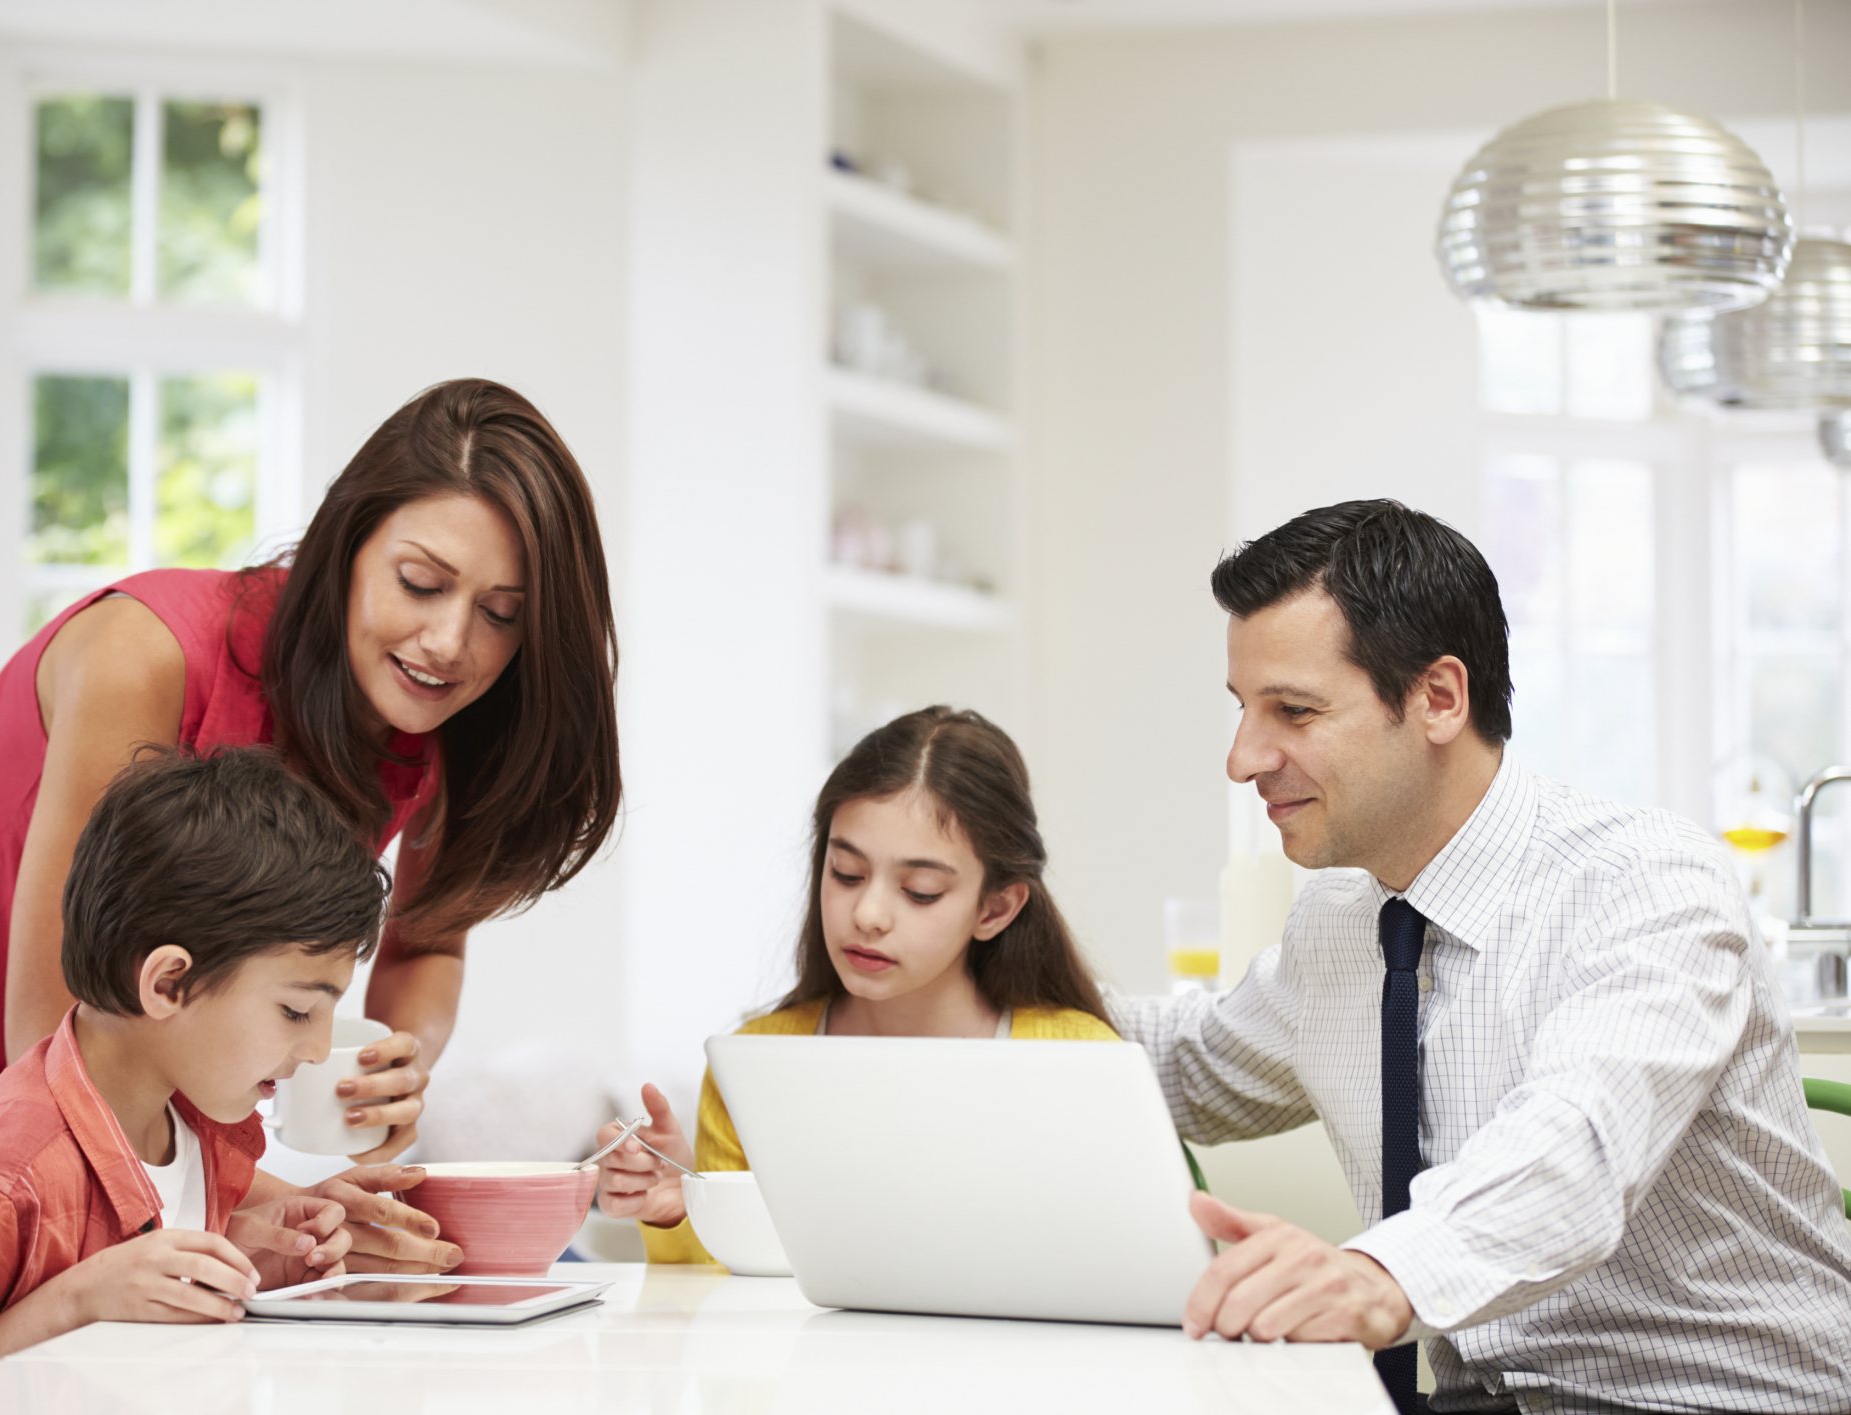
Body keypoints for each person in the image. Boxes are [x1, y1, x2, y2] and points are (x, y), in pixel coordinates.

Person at [0, 378, 621, 1255]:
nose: (451, 642)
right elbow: (50, 1030)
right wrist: (251, 1196)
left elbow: (428, 937)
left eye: (500, 615)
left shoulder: (449, 717)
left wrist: (392, 1061)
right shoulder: (143, 657)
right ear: (345, 544)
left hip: (112, 1065)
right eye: (420, 583)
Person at [1110, 500, 1851, 1414]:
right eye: (1243, 711)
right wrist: (968, 967)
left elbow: (1574, 1146)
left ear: (1438, 698)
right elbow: (1188, 1065)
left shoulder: (1648, 882)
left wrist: (1378, 1274)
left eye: (1293, 711)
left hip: (1716, 1401)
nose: (1242, 758)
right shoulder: (1344, 918)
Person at [0, 748, 461, 1413]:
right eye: (296, 1010)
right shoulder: (3, 1182)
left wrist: (248, 1258)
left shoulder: (198, 1128)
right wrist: (77, 1302)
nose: (318, 1049)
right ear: (167, 983)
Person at [597, 707, 1119, 1262]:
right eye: (846, 873)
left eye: (919, 890)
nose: (868, 914)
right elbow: (728, 1305)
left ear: (995, 908)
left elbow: (1135, 1265)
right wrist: (684, 1212)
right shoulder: (756, 1062)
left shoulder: (1082, 1061)